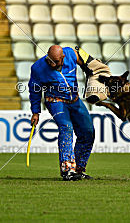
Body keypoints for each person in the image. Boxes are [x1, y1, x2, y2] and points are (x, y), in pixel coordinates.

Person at [28, 45, 95, 181]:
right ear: (47, 56)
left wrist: (93, 72)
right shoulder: (37, 68)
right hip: (55, 100)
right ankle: (67, 169)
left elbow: (87, 63)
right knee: (66, 128)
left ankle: (78, 169)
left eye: (56, 61)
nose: (52, 64)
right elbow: (34, 90)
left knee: (88, 132)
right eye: (50, 60)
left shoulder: (71, 53)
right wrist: (36, 112)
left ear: (63, 57)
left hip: (74, 99)